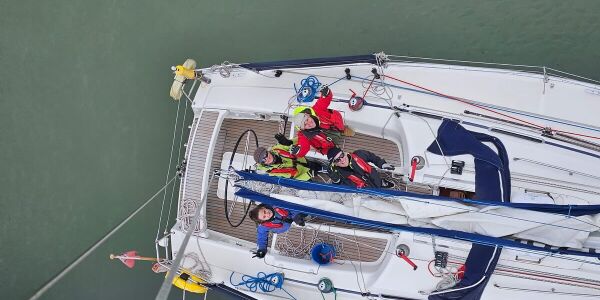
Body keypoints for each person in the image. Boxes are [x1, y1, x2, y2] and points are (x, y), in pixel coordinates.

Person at [279, 86, 354, 158]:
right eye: (305, 125)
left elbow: (324, 100)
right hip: (329, 146)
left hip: (337, 127)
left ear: (309, 115)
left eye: (307, 120)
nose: (309, 123)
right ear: (303, 129)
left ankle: (343, 130)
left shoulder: (316, 110)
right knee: (336, 154)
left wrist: (326, 94)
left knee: (343, 130)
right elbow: (304, 147)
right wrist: (299, 151)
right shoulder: (303, 135)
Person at [327, 147, 396, 188]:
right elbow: (341, 188)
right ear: (334, 164)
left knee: (378, 182)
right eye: (337, 160)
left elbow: (372, 157)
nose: (342, 160)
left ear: (344, 152)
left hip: (375, 178)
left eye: (341, 155)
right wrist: (336, 181)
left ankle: (381, 183)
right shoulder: (338, 174)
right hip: (367, 192)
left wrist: (382, 164)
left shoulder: (359, 154)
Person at [253, 144, 319, 181]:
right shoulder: (273, 173)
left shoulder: (277, 148)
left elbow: (291, 145)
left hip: (305, 162)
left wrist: (295, 149)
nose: (267, 158)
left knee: (322, 168)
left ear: (268, 151)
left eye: (265, 155)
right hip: (304, 177)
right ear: (263, 164)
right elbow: (292, 181)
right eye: (263, 160)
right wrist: (308, 175)